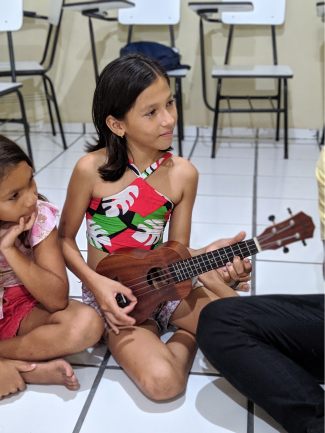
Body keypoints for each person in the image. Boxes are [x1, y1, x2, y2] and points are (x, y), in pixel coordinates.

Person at [58, 53, 252, 401]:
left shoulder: (183, 174)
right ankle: (193, 336)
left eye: (170, 103)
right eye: (151, 112)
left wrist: (207, 259)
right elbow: (64, 240)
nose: (168, 120)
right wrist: (97, 286)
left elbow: (175, 251)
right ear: (117, 124)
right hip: (116, 296)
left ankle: (195, 325)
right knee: (164, 384)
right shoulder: (91, 170)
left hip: (166, 284)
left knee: (253, 330)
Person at [0, 135, 105, 401]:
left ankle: (5, 362)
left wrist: (10, 250)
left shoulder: (39, 216)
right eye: (14, 196)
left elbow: (57, 299)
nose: (30, 199)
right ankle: (27, 370)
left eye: (30, 182)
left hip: (21, 302)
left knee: (88, 324)